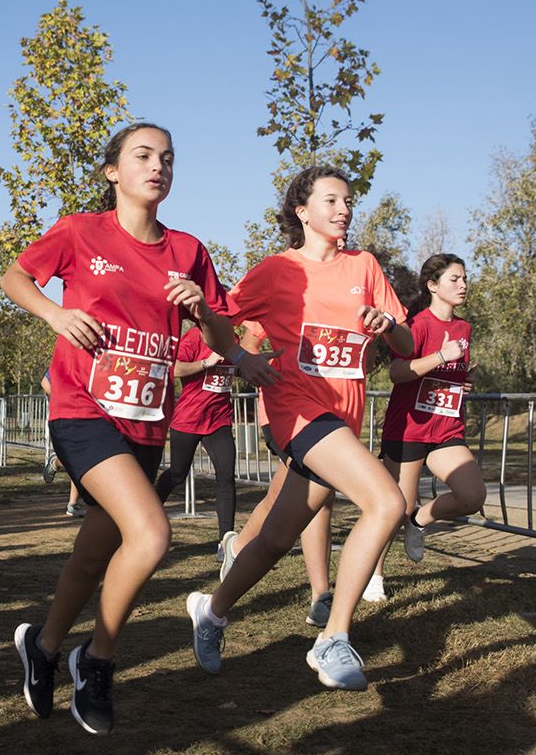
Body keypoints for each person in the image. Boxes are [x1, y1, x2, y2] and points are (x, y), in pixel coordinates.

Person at [3, 121, 252, 735]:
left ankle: (42, 645)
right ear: (113, 170)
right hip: (82, 410)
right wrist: (57, 315)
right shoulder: (80, 231)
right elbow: (14, 278)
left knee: (94, 555)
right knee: (152, 535)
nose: (158, 166)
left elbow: (225, 338)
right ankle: (99, 659)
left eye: (167, 158)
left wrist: (201, 310)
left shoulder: (190, 251)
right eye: (142, 156)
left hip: (146, 423)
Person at [182, 165, 412, 692]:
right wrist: (241, 357)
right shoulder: (275, 271)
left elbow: (405, 347)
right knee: (386, 501)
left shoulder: (366, 266)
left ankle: (211, 611)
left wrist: (387, 325)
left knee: (274, 538)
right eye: (331, 200)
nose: (344, 209)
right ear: (302, 212)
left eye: (349, 201)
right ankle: (333, 637)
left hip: (342, 419)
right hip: (296, 409)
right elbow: (214, 320)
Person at [378, 254, 486, 567]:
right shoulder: (417, 325)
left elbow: (447, 376)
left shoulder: (463, 327)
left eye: (465, 278)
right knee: (394, 508)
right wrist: (440, 356)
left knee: (472, 496)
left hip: (446, 429)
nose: (463, 285)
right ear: (432, 286)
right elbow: (397, 373)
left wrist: (464, 381)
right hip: (409, 428)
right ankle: (375, 575)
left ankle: (420, 520)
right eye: (455, 279)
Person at [154, 324, 238, 544]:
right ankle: (146, 518)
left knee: (226, 477)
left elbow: (238, 368)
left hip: (219, 419)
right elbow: (174, 369)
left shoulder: (233, 339)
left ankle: (225, 543)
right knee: (177, 475)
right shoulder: (193, 338)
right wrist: (206, 362)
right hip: (189, 419)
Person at [41, 370, 83, 519]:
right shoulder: (68, 357)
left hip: (88, 416)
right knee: (78, 458)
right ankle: (57, 461)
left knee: (81, 459)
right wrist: (61, 399)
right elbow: (45, 382)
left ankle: (72, 504)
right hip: (66, 417)